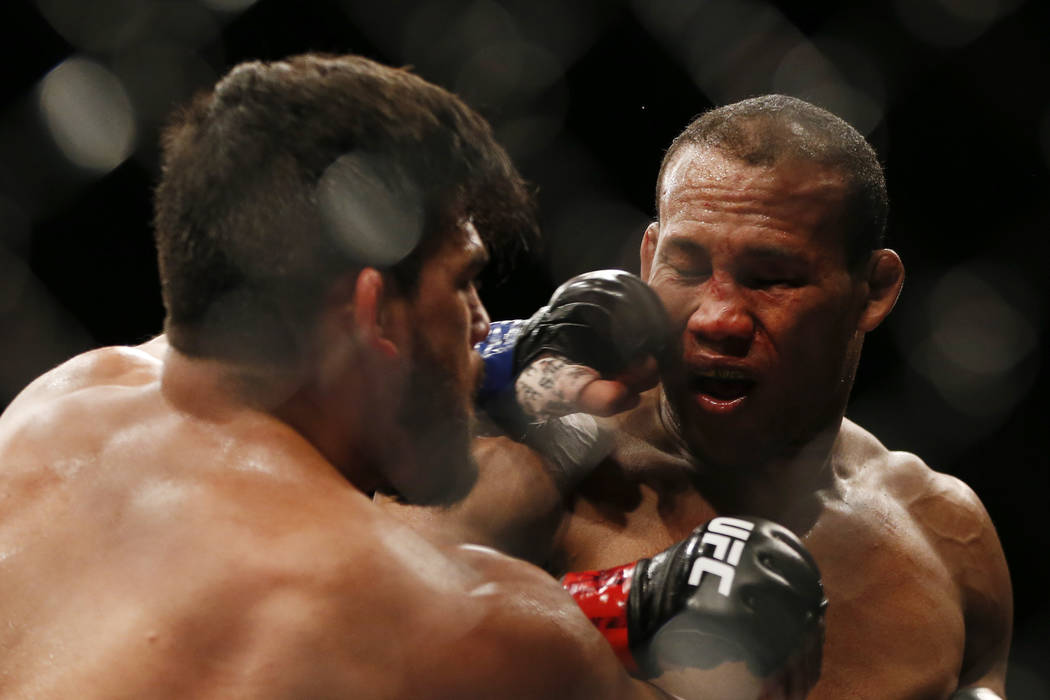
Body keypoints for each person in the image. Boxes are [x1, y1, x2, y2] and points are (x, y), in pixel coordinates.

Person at [0, 55, 825, 699]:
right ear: (373, 312)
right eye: (464, 284)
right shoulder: (466, 625)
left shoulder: (58, 407)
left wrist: (505, 360)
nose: (482, 322)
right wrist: (622, 610)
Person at [381, 95, 1014, 699]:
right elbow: (369, 636)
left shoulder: (945, 533)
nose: (717, 318)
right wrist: (626, 607)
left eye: (771, 279)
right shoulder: (534, 462)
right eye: (686, 268)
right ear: (648, 258)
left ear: (873, 290)